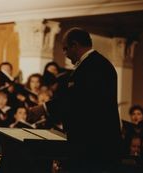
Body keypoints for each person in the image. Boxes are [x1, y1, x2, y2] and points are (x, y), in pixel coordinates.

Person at [30, 28, 122, 172]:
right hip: (93, 143)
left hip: (95, 144)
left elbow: (77, 99)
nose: (65, 54)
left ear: (75, 45)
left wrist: (44, 108)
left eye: (66, 49)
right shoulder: (95, 64)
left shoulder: (94, 66)